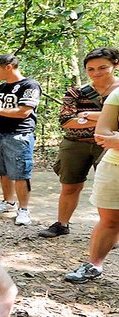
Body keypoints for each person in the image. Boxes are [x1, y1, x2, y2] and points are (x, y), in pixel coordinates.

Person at [40, 48, 119, 238]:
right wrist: (107, 118)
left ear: (115, 65)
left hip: (111, 146)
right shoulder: (77, 92)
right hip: (75, 144)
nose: (96, 73)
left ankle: (110, 231)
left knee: (111, 188)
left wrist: (87, 115)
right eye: (90, 69)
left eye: (102, 67)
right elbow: (66, 120)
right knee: (70, 186)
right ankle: (62, 224)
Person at [0, 54, 41, 225]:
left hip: (19, 135)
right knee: (3, 171)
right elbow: (2, 107)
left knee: (20, 173)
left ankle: (24, 210)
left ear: (9, 67)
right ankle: (8, 202)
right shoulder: (3, 87)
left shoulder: (29, 85)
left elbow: (23, 112)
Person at [64, 85, 119, 283]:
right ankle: (94, 264)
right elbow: (102, 134)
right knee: (110, 220)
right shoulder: (117, 94)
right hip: (114, 167)